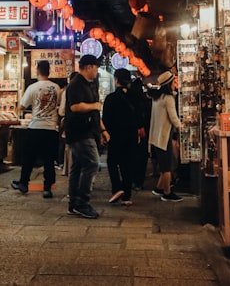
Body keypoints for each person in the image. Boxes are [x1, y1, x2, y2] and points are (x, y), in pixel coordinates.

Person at [64, 55, 106, 219]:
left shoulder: (89, 84)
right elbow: (75, 107)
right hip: (80, 131)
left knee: (78, 166)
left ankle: (74, 203)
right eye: (95, 68)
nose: (96, 71)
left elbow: (94, 112)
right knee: (92, 164)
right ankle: (82, 202)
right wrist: (94, 105)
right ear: (88, 67)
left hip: (88, 130)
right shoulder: (76, 84)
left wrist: (103, 130)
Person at [11, 60, 60, 198]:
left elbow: (21, 106)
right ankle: (47, 188)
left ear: (37, 70)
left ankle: (23, 184)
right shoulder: (56, 88)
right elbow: (59, 106)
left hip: (35, 127)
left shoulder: (32, 88)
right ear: (49, 71)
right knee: (49, 160)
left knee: (29, 158)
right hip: (51, 129)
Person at [102, 68, 140, 205]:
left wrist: (104, 133)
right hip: (131, 136)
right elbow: (140, 117)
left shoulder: (111, 98)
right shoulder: (136, 97)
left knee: (112, 162)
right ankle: (127, 196)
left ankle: (117, 188)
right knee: (127, 164)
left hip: (115, 136)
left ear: (116, 80)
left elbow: (105, 118)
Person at [148, 70, 184, 202]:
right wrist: (181, 127)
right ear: (169, 84)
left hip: (156, 136)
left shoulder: (157, 97)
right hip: (164, 136)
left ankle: (158, 188)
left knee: (164, 164)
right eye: (173, 82)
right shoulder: (168, 98)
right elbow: (173, 117)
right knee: (167, 166)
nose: (175, 84)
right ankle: (167, 193)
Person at [128, 74, 152, 190]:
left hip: (132, 131)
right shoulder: (143, 100)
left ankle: (133, 179)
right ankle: (139, 181)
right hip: (142, 131)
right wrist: (141, 127)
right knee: (141, 157)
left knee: (133, 156)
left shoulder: (129, 98)